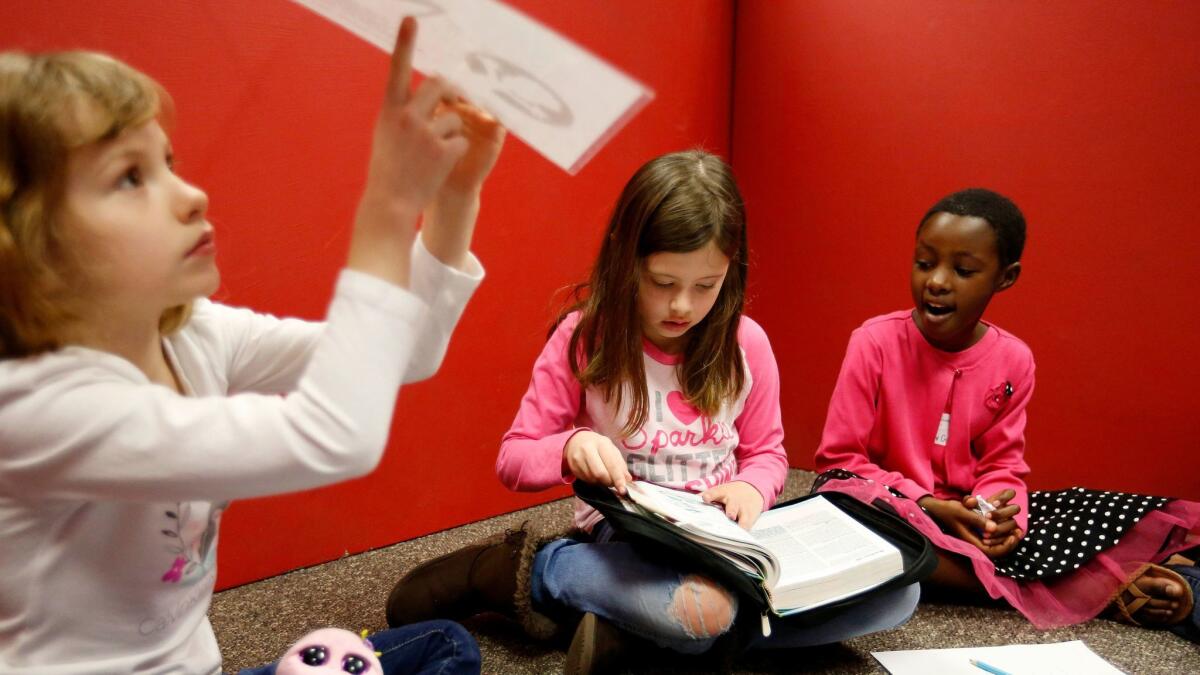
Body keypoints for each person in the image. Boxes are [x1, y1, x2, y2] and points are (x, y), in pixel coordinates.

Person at [0, 17, 502, 674]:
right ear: (29, 243)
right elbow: (334, 435)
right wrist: (387, 202)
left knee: (444, 648)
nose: (192, 195)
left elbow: (407, 354)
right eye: (129, 177)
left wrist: (453, 194)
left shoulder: (193, 333)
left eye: (168, 163)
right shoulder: (35, 406)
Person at [385, 150, 920, 673]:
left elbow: (767, 454)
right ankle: (533, 572)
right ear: (626, 259)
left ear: (730, 271)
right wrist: (571, 447)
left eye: (705, 286)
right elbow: (514, 457)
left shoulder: (747, 345)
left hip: (726, 544)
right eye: (663, 283)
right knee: (705, 612)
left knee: (897, 594)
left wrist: (752, 489)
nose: (682, 305)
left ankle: (645, 638)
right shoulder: (585, 338)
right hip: (628, 538)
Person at [813, 188, 1200, 642]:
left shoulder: (1014, 359)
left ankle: (1152, 577)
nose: (937, 281)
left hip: (969, 518)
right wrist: (926, 504)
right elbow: (839, 461)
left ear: (1005, 276)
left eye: (963, 270)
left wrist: (1000, 516)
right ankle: (1103, 589)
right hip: (894, 508)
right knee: (849, 516)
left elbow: (1003, 465)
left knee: (1108, 515)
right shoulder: (873, 343)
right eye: (924, 263)